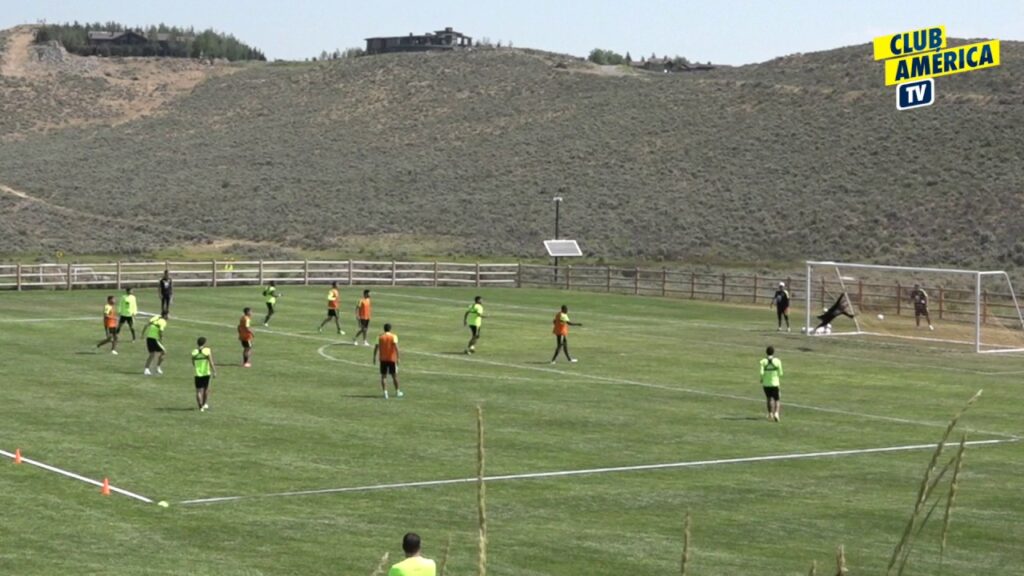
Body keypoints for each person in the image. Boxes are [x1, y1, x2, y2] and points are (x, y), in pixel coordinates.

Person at [373, 323, 403, 399]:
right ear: (390, 329)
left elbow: (376, 347)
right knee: (394, 376)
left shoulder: (379, 337)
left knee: (383, 377)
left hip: (383, 359)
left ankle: (385, 393)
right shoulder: (393, 336)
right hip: (392, 359)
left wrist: (374, 357)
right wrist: (398, 358)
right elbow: (396, 348)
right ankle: (397, 391)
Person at [191, 336, 217, 412]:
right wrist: (214, 371)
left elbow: (193, 362)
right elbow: (211, 362)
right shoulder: (207, 351)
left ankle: (200, 407)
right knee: (206, 389)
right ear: (204, 343)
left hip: (197, 373)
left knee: (198, 391)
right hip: (206, 372)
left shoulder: (194, 352)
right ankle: (204, 404)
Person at [759, 345, 783, 422]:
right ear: (773, 352)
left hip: (766, 384)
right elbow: (781, 373)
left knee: (769, 398)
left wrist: (762, 379)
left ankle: (770, 413)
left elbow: (761, 372)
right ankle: (776, 413)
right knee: (777, 399)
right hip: (775, 383)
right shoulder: (778, 361)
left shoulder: (762, 361)